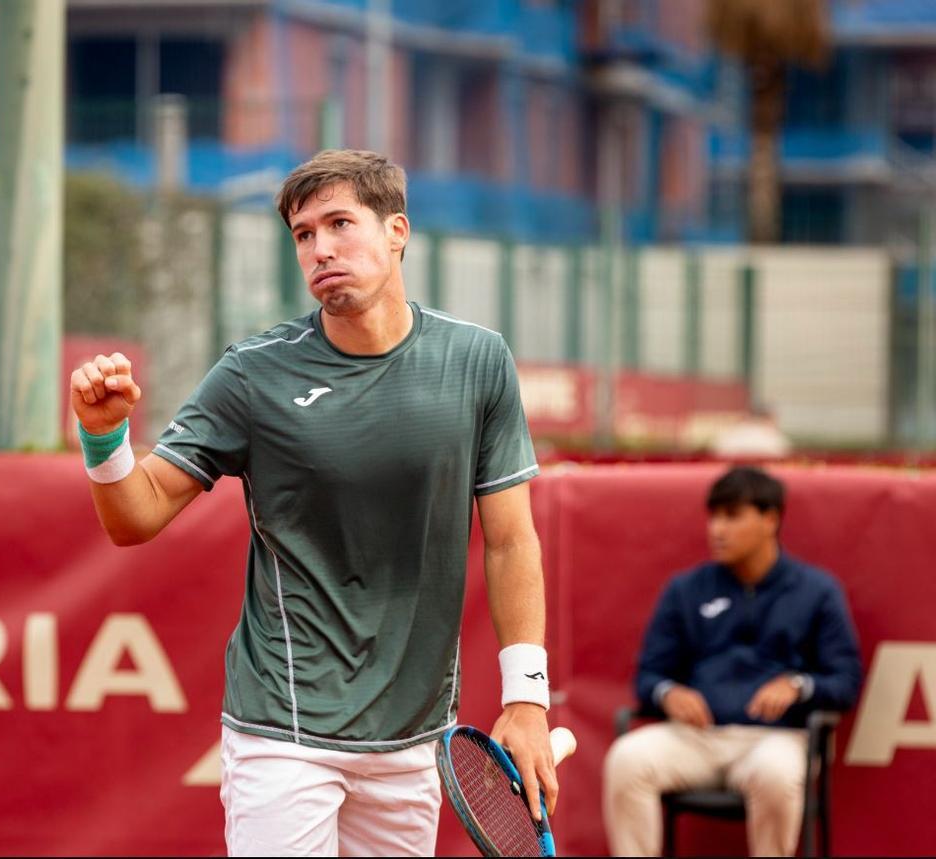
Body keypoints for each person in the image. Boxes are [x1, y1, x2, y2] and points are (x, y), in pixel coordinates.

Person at [68, 149, 557, 856]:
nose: (321, 248)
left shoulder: (477, 362)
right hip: (284, 732)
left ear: (397, 231)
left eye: (339, 224)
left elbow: (512, 540)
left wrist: (527, 698)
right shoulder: (252, 374)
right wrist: (105, 435)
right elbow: (133, 517)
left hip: (413, 737)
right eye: (303, 234)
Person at [603, 465, 862, 857]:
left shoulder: (817, 592)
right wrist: (668, 693)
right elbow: (650, 674)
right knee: (627, 758)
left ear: (770, 519)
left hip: (778, 739)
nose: (717, 529)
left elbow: (845, 680)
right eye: (714, 516)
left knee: (776, 774)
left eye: (732, 516)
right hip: (697, 738)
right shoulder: (687, 589)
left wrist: (798, 685)